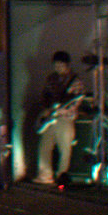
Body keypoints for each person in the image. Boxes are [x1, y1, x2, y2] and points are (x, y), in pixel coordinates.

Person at [34, 51, 86, 186]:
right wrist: (46, 108)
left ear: (67, 65)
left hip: (65, 118)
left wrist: (60, 108)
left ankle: (61, 176)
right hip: (50, 117)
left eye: (60, 65)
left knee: (65, 148)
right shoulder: (51, 78)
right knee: (44, 146)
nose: (57, 68)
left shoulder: (75, 81)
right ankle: (45, 175)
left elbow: (74, 101)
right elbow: (44, 95)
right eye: (56, 65)